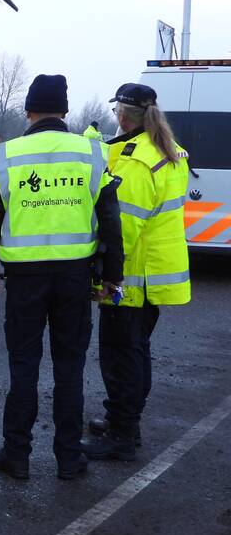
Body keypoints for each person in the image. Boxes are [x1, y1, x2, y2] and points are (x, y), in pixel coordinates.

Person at [0, 74, 124, 480]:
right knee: (70, 367)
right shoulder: (92, 153)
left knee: (23, 366)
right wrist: (112, 274)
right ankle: (69, 459)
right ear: (64, 111)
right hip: (75, 277)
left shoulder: (4, 156)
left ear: (28, 112)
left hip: (24, 279)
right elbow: (110, 221)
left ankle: (17, 455)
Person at [81, 83, 191, 461]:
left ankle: (122, 436)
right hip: (152, 275)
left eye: (117, 113)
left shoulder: (137, 160)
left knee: (120, 356)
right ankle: (123, 422)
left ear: (124, 116)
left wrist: (105, 278)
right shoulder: (165, 151)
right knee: (135, 351)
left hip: (131, 277)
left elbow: (123, 228)